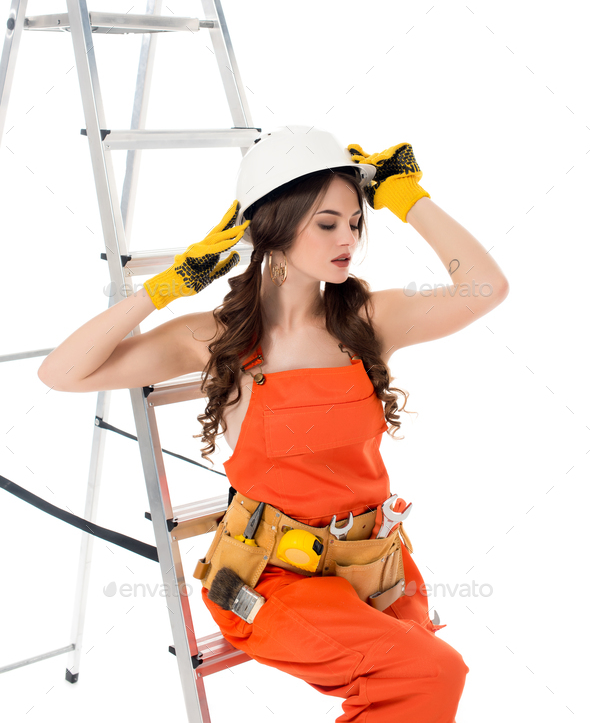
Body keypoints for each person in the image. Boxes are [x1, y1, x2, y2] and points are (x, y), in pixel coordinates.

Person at [38, 126, 509, 722]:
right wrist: (164, 289)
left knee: (429, 681)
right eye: (327, 223)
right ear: (276, 230)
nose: (349, 239)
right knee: (431, 672)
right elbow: (63, 372)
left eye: (356, 221)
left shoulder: (370, 320)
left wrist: (408, 198)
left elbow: (486, 288)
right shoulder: (221, 339)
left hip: (370, 570)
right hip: (270, 581)